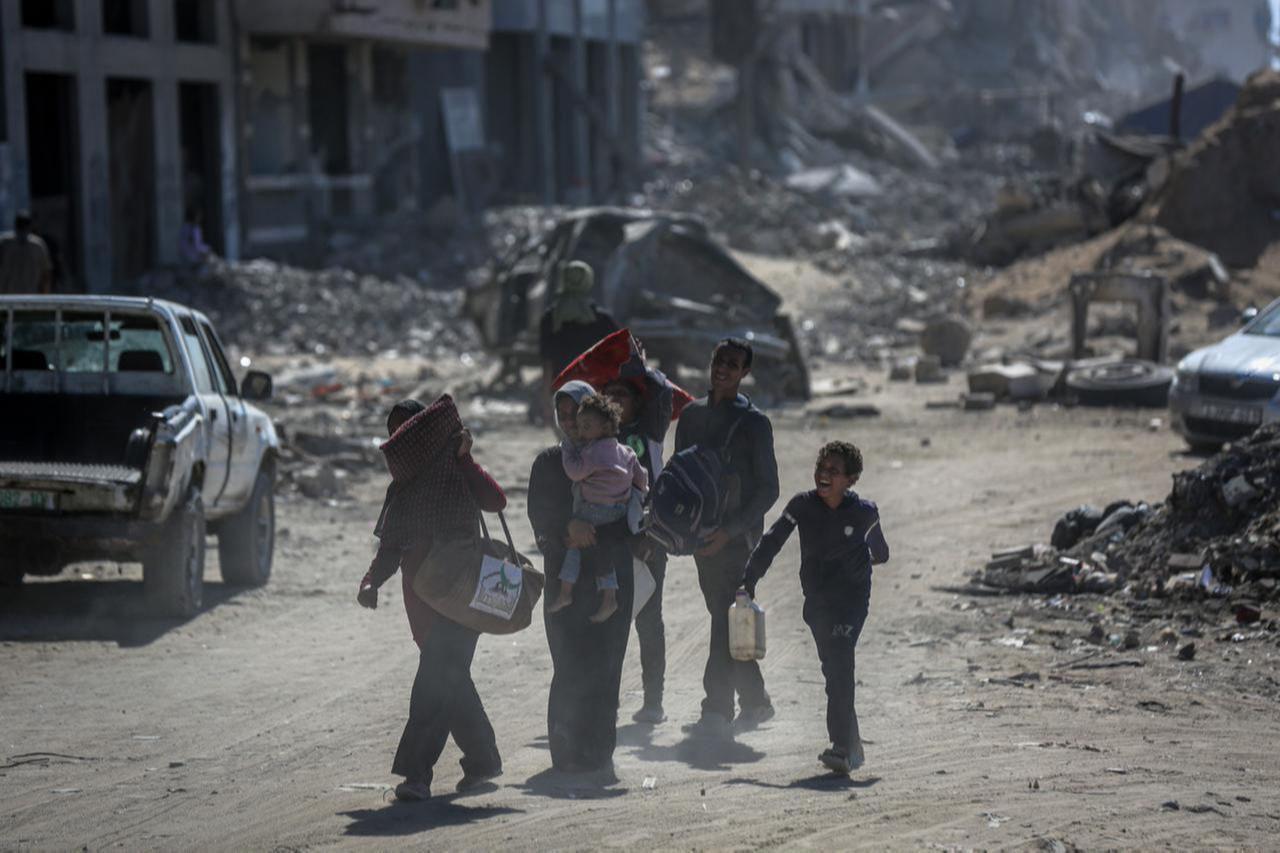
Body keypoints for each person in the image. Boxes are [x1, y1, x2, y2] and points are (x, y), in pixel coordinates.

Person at [356, 396, 506, 802]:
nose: (399, 440)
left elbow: (496, 502)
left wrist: (466, 461)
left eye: (406, 430)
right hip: (422, 602)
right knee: (450, 678)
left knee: (434, 681)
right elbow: (390, 546)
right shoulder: (402, 489)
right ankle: (483, 761)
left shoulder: (457, 470)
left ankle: (416, 774)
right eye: (394, 433)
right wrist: (372, 582)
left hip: (464, 594)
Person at [741, 441, 889, 774]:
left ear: (851, 479)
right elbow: (772, 540)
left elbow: (881, 553)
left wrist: (855, 563)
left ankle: (840, 747)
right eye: (822, 468)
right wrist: (748, 580)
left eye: (834, 471)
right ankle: (852, 744)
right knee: (832, 670)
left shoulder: (864, 512)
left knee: (840, 663)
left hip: (851, 600)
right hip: (818, 601)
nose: (824, 475)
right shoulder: (803, 506)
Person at [528, 381, 636, 773]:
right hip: (565, 580)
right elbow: (539, 521)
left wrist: (592, 532)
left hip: (611, 579)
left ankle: (598, 750)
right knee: (569, 664)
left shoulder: (619, 458)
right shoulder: (547, 464)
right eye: (563, 415)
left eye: (577, 414)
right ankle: (565, 748)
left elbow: (635, 521)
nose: (570, 422)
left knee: (607, 665)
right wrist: (564, 532)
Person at [674, 338, 780, 738]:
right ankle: (755, 700)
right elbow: (678, 474)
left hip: (737, 540)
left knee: (724, 616)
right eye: (720, 360)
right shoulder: (691, 415)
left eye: (733, 365)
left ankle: (715, 706)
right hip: (701, 538)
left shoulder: (755, 423)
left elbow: (768, 488)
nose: (723, 369)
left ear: (744, 373)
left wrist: (731, 532)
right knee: (727, 617)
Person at [548, 394, 649, 623]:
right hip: (618, 512)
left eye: (586, 426)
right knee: (603, 552)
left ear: (605, 427)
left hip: (593, 511)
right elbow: (641, 480)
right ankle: (607, 597)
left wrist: (566, 448)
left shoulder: (593, 451)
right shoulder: (626, 451)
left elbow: (575, 473)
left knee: (575, 545)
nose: (580, 431)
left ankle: (567, 592)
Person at [603, 378, 669, 724]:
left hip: (647, 540)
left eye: (622, 394)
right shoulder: (596, 439)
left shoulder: (645, 437)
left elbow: (655, 491)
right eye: (609, 394)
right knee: (608, 623)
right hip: (608, 541)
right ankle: (605, 702)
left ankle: (653, 701)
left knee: (647, 621)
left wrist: (638, 367)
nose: (614, 399)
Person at [538, 262, 620, 422]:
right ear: (588, 281)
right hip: (595, 391)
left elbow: (547, 363)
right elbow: (616, 360)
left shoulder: (550, 318)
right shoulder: (602, 319)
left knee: (568, 441)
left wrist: (544, 399)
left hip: (561, 390)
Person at [0, 211, 53, 295]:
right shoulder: (38, 245)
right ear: (30, 226)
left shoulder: (5, 243)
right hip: (30, 297)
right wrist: (44, 296)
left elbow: (45, 274)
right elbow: (46, 275)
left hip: (7, 297)